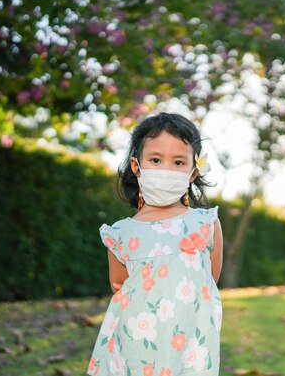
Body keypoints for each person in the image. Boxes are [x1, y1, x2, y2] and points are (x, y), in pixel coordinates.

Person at [87, 112, 224, 376]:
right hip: (136, 347)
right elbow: (120, 286)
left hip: (189, 346)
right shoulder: (122, 235)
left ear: (193, 171)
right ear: (137, 167)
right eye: (156, 160)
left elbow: (209, 281)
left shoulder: (205, 225)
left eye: (178, 162)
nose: (166, 170)